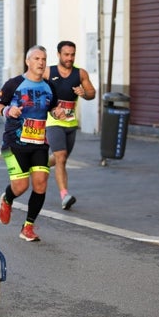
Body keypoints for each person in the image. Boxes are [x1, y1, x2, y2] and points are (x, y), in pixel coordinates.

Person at [0, 45, 66, 242]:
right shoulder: (14, 84)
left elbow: (53, 108)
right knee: (21, 186)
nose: (41, 62)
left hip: (39, 142)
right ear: (28, 61)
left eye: (43, 59)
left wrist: (57, 113)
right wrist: (8, 111)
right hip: (14, 142)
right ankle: (7, 198)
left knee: (41, 183)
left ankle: (28, 227)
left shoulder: (50, 86)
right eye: (36, 59)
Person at [43, 41, 96, 210]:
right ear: (58, 55)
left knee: (60, 159)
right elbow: (31, 88)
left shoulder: (80, 73)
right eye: (66, 54)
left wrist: (84, 93)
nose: (69, 58)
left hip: (71, 123)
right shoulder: (48, 72)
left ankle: (37, 164)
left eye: (72, 54)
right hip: (53, 122)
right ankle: (64, 195)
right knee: (61, 156)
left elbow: (92, 93)